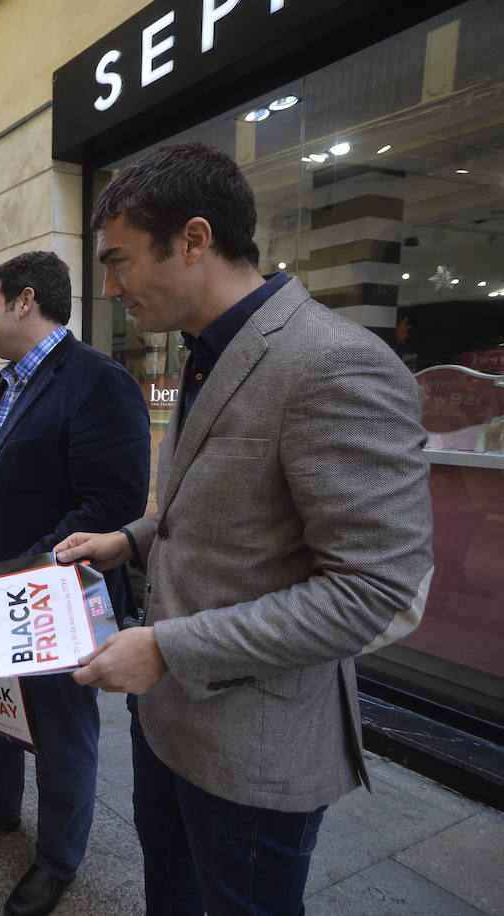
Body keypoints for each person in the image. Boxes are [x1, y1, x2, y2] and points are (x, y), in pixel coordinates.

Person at [55, 142, 434, 916]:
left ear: (195, 239)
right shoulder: (203, 350)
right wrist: (131, 540)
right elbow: (218, 505)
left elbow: (373, 592)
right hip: (166, 722)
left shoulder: (334, 364)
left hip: (254, 751)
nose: (110, 288)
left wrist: (166, 648)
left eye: (119, 261)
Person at [0, 251, 151, 916]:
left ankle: (57, 861)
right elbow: (1, 481)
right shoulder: (7, 381)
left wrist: (22, 570)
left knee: (61, 732)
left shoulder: (99, 382)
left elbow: (111, 503)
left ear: (25, 301)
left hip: (55, 595)